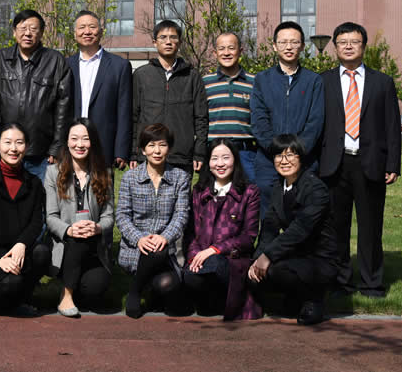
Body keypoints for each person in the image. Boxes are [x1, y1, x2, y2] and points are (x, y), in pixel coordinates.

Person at [319, 22, 401, 298]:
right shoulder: (323, 81)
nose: (349, 46)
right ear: (336, 47)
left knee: (370, 228)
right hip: (334, 163)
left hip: (371, 163)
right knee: (336, 228)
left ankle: (371, 283)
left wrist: (393, 164)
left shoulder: (382, 82)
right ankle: (341, 282)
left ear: (364, 46)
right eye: (343, 42)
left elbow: (392, 126)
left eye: (355, 41)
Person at [248, 134, 337, 326]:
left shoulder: (316, 189)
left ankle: (314, 298)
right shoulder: (278, 187)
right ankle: (294, 297)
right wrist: (258, 258)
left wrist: (268, 256)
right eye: (279, 156)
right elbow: (270, 227)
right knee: (256, 273)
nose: (284, 161)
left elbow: (300, 229)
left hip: (319, 259)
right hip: (295, 255)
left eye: (290, 155)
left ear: (301, 158)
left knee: (277, 271)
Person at [0, 9, 73, 182]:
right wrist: (0, 141)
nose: (28, 33)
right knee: (1, 201)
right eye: (23, 28)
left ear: (42, 32)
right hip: (5, 150)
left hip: (41, 153)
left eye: (33, 28)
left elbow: (64, 107)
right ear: (14, 31)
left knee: (40, 204)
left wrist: (56, 147)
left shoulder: (55, 61)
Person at [0, 123, 50, 314]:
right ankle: (1, 302)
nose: (13, 148)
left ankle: (21, 298)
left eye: (19, 143)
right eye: (7, 142)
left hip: (17, 252)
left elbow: (37, 221)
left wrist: (22, 243)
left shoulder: (34, 184)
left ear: (27, 147)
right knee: (11, 283)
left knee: (41, 253)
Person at [116, 123, 190, 318]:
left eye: (162, 145)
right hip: (135, 249)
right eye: (151, 145)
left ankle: (144, 289)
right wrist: (139, 238)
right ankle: (136, 292)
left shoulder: (180, 178)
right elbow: (122, 216)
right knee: (155, 253)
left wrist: (165, 237)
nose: (157, 151)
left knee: (170, 286)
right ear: (142, 149)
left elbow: (181, 215)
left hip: (165, 250)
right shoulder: (130, 178)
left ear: (170, 148)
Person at [182, 138, 262, 320]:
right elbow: (191, 233)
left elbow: (248, 238)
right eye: (214, 158)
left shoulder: (249, 192)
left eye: (225, 158)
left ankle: (224, 300)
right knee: (190, 276)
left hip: (232, 260)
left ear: (235, 160)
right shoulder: (199, 191)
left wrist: (214, 250)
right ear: (208, 162)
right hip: (201, 258)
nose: (220, 164)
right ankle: (211, 303)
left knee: (216, 264)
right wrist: (195, 256)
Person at [44, 118, 115, 317]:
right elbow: (50, 216)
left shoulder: (105, 172)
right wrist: (69, 229)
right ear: (67, 142)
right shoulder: (52, 173)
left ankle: (72, 286)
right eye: (74, 139)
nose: (79, 144)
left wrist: (97, 228)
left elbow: (109, 216)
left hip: (94, 246)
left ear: (92, 142)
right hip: (65, 245)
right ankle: (66, 295)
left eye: (85, 139)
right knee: (77, 235)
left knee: (95, 289)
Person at [250, 21, 324, 208]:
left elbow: (315, 123)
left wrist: (294, 153)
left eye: (294, 42)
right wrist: (277, 151)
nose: (288, 47)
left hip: (303, 161)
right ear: (274, 46)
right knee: (268, 219)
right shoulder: (262, 80)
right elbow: (259, 121)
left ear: (302, 46)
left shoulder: (314, 80)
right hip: (269, 161)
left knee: (302, 222)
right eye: (283, 42)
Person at [131, 20, 207, 173]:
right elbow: (134, 116)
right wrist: (134, 152)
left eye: (173, 37)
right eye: (163, 37)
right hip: (148, 154)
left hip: (181, 155)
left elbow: (201, 118)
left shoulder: (192, 76)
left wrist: (199, 152)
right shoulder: (141, 75)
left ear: (179, 42)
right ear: (154, 42)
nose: (168, 42)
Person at [66, 11, 132, 170]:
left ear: (101, 31)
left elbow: (124, 110)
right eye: (82, 27)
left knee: (103, 193)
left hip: (104, 145)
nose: (87, 31)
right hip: (71, 145)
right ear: (75, 34)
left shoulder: (119, 66)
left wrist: (121, 150)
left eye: (92, 27)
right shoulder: (65, 65)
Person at [203, 32, 257, 182]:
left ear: (240, 51)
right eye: (221, 48)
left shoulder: (255, 82)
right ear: (215, 53)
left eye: (231, 48)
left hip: (245, 153)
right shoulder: (205, 83)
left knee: (249, 198)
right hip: (214, 152)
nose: (226, 53)